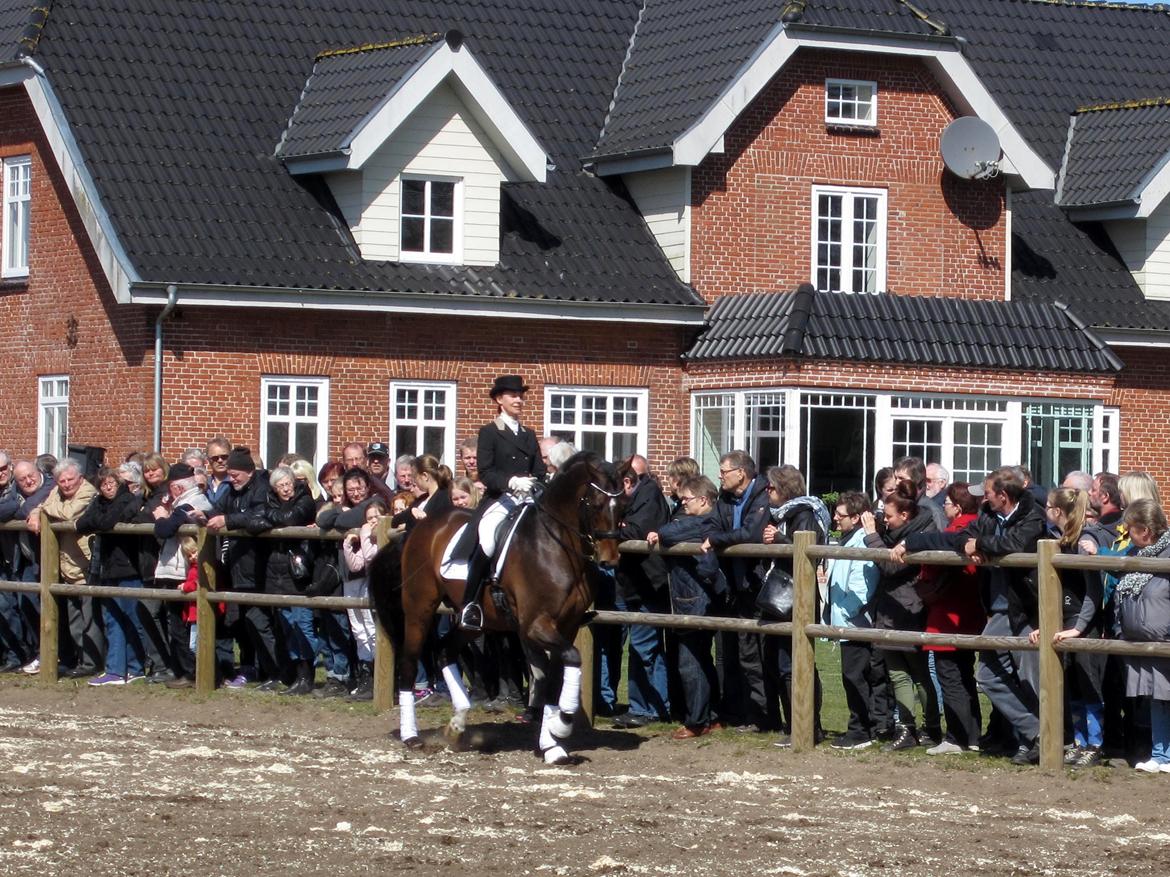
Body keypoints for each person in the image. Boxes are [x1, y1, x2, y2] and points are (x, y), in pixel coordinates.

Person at [893, 466, 1047, 765]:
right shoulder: (990, 516)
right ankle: (1037, 732)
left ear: (1003, 496)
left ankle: (1049, 737)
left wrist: (981, 544)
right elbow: (955, 539)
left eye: (987, 494)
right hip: (1000, 609)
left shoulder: (1033, 516)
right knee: (988, 675)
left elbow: (1017, 544)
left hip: (1029, 609)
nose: (982, 499)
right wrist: (910, 543)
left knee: (1032, 677)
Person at [458, 375, 545, 631]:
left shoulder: (529, 434)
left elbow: (539, 470)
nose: (519, 400)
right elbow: (486, 473)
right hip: (501, 498)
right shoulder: (489, 432)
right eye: (512, 395)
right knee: (488, 540)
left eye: (521, 395)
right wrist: (512, 482)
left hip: (528, 499)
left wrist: (533, 483)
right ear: (499, 400)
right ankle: (469, 604)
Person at [1031, 486, 1108, 766]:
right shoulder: (1057, 539)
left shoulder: (1083, 539)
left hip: (1081, 621)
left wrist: (1079, 627)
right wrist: (1047, 622)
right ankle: (1079, 740)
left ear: (1058, 511)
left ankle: (1096, 744)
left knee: (1089, 683)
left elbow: (1093, 591)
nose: (1045, 510)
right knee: (1072, 684)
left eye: (1048, 506)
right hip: (1062, 619)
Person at [863, 481, 940, 750]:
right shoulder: (898, 533)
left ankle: (929, 728)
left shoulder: (918, 536)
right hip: (889, 608)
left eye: (889, 515)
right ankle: (907, 728)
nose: (885, 518)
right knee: (897, 674)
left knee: (918, 673)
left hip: (908, 608)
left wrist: (872, 535)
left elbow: (890, 567)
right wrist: (881, 532)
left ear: (905, 515)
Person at [648, 475, 727, 739]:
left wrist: (661, 531)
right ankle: (712, 716)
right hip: (698, 598)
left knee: (690, 660)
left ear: (703, 500)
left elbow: (670, 532)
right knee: (702, 658)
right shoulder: (709, 519)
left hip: (694, 600)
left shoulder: (703, 521)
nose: (682, 505)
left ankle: (696, 720)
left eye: (686, 500)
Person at [761, 464, 830, 742]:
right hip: (783, 598)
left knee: (795, 664)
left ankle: (806, 726)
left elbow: (803, 554)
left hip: (797, 600)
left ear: (785, 489)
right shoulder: (782, 515)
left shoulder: (804, 514)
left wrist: (777, 539)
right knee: (780, 663)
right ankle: (794, 724)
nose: (768, 492)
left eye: (772, 487)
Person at [703, 450, 771, 731]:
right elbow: (712, 525)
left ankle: (764, 716)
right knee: (737, 651)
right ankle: (742, 713)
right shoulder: (726, 499)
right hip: (733, 584)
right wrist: (719, 537)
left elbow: (752, 533)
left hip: (758, 584)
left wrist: (717, 540)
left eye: (724, 471)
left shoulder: (763, 495)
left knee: (758, 652)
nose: (720, 476)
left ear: (740, 473)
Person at [919, 482, 984, 755]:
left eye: (946, 503)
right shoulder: (978, 527)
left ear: (957, 507)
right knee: (964, 674)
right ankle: (972, 735)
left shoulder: (956, 532)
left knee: (950, 675)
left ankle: (957, 736)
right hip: (970, 612)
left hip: (950, 611)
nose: (943, 507)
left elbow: (931, 566)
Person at [606, 455, 671, 728]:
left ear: (627, 481)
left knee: (644, 648)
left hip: (649, 583)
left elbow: (635, 530)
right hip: (632, 582)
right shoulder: (639, 496)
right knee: (638, 647)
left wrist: (616, 527)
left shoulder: (648, 496)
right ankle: (646, 706)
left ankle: (647, 708)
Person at [206, 447, 278, 688]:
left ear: (249, 471)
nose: (231, 479)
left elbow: (260, 516)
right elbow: (218, 510)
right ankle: (258, 670)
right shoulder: (233, 492)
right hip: (239, 567)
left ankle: (276, 672)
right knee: (245, 623)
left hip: (259, 567)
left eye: (235, 474)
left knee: (260, 621)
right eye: (229, 474)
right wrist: (204, 516)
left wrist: (228, 521)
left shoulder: (262, 489)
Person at [76, 464, 147, 685]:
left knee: (132, 617)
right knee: (112, 618)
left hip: (128, 566)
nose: (108, 488)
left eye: (112, 483)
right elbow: (82, 524)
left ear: (119, 483)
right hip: (107, 567)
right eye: (104, 485)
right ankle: (116, 669)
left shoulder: (128, 499)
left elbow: (106, 521)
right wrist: (99, 520)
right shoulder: (98, 502)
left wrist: (99, 522)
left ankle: (136, 667)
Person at [823, 491, 882, 749]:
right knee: (851, 675)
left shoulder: (860, 544)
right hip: (847, 621)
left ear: (856, 517)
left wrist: (844, 614)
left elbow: (861, 588)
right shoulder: (849, 540)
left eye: (841, 514)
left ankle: (861, 731)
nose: (835, 518)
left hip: (855, 623)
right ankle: (861, 727)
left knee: (855, 675)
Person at [1114, 499, 1170, 773]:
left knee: (1165, 697)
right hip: (1145, 642)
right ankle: (1161, 755)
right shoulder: (1139, 555)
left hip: (1165, 641)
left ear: (1145, 530)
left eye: (1131, 529)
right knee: (1158, 699)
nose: (1127, 533)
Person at [35, 459, 101, 676]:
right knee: (74, 620)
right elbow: (45, 505)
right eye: (61, 480)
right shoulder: (57, 492)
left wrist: (43, 509)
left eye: (70, 479)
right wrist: (40, 510)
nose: (65, 484)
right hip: (67, 566)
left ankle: (92, 663)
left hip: (86, 565)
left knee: (90, 619)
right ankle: (79, 660)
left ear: (80, 478)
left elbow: (69, 513)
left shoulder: (88, 492)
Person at [151, 462, 212, 688]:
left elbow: (164, 530)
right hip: (187, 569)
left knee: (178, 625)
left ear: (176, 487)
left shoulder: (185, 504)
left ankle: (190, 672)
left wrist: (159, 516)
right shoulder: (202, 500)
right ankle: (189, 670)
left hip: (181, 572)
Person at [261, 465, 319, 695]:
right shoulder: (270, 502)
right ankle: (296, 674)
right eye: (280, 486)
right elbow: (261, 518)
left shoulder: (304, 500)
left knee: (302, 622)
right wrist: (274, 516)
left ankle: (307, 675)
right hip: (277, 573)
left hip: (298, 571)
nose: (286, 490)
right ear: (274, 489)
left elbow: (291, 518)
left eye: (288, 484)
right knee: (287, 624)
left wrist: (272, 517)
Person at [0, 460, 53, 673]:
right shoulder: (14, 492)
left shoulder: (50, 485)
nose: (28, 481)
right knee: (23, 603)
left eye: (3, 468)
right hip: (20, 558)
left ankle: (47, 654)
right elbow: (7, 509)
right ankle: (28, 653)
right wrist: (23, 508)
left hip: (44, 559)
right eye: (23, 480)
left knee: (39, 604)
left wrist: (30, 508)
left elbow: (18, 509)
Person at [341, 498, 387, 701]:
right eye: (368, 519)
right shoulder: (368, 535)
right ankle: (366, 673)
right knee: (360, 629)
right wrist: (348, 545)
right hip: (366, 584)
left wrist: (366, 531)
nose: (372, 522)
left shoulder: (383, 535)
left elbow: (370, 557)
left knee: (372, 627)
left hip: (381, 587)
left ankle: (380, 674)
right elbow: (356, 565)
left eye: (376, 517)